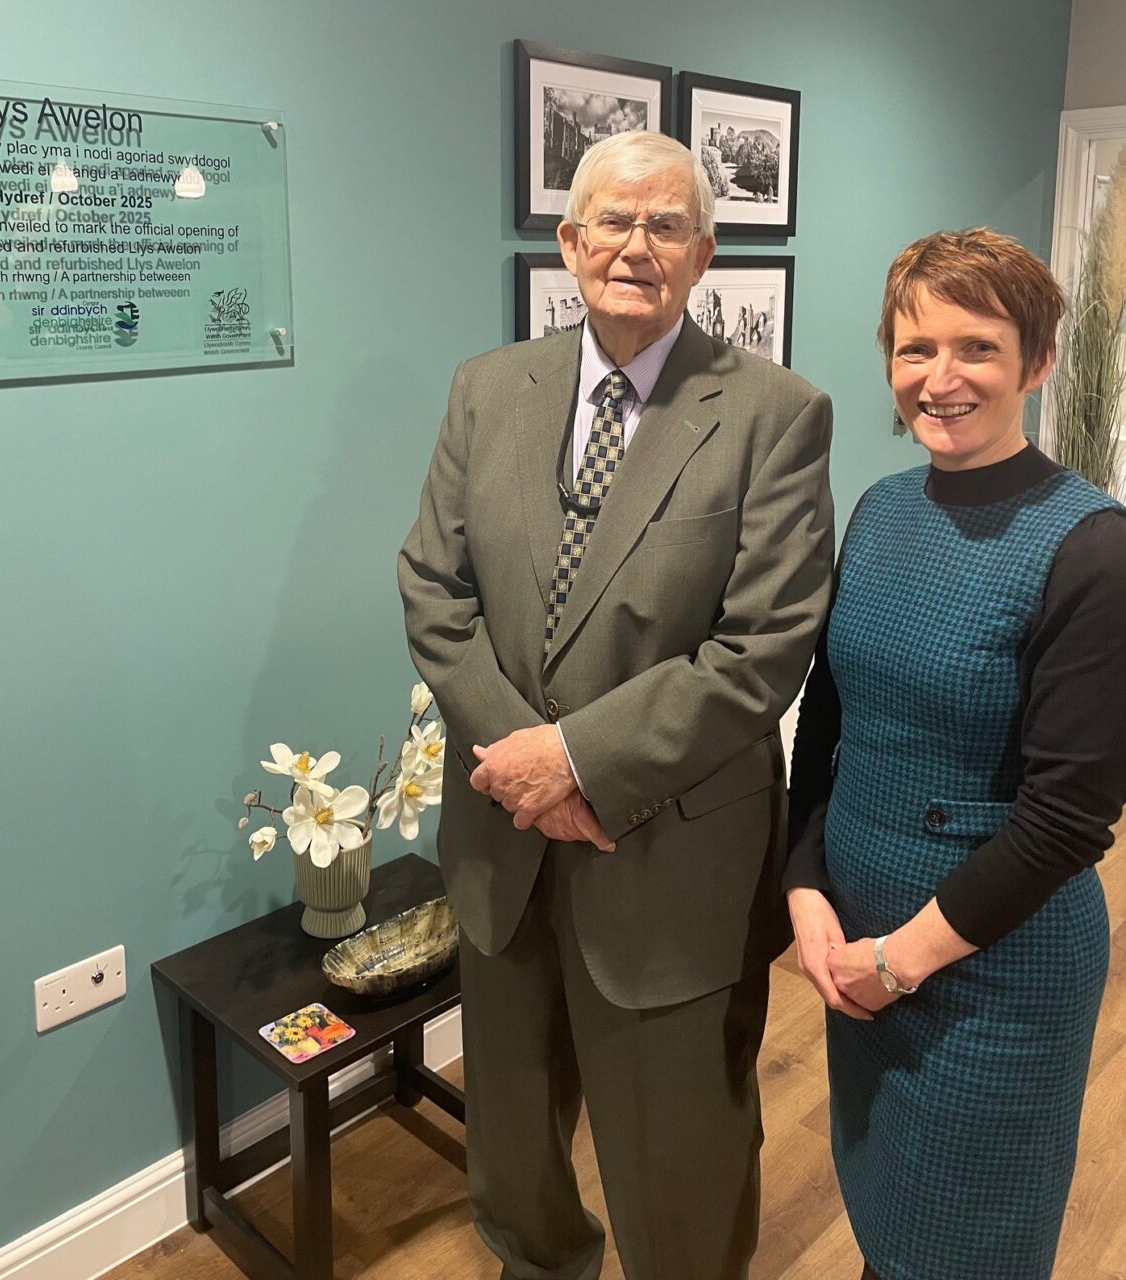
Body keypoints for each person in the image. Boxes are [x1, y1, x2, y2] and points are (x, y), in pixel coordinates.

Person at [399, 129, 834, 1280]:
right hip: (502, 843)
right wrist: (522, 766)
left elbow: (764, 646)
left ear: (703, 253)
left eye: (664, 225)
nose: (634, 245)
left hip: (668, 861)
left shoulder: (773, 414)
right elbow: (432, 588)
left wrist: (581, 765)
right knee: (515, 1161)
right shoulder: (487, 390)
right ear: (569, 239)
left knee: (679, 1170)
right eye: (612, 221)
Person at [784, 227, 1126, 1280]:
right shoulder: (880, 511)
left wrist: (900, 958)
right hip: (858, 953)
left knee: (968, 1242)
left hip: (994, 969)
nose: (939, 378)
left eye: (975, 347)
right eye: (913, 346)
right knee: (885, 1220)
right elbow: (825, 720)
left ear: (1033, 362)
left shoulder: (1090, 545)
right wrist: (803, 887)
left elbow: (1068, 818)